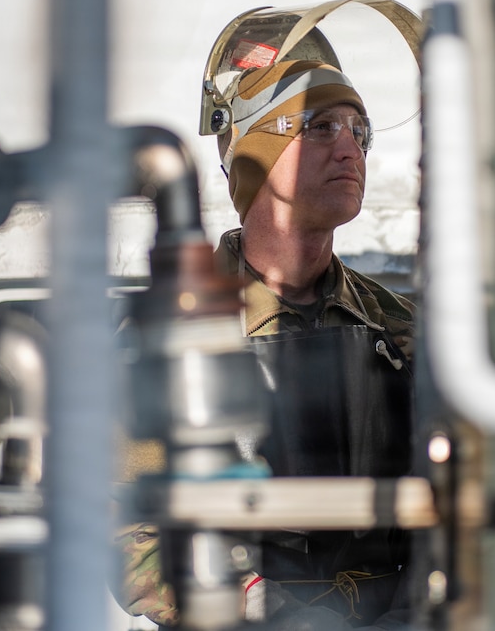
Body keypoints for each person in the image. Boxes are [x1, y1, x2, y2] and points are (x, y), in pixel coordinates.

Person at [115, 60, 416, 629]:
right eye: (321, 128)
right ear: (254, 158)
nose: (351, 151)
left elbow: (457, 508)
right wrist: (261, 612)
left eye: (360, 131)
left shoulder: (399, 328)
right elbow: (128, 528)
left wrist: (410, 614)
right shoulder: (168, 339)